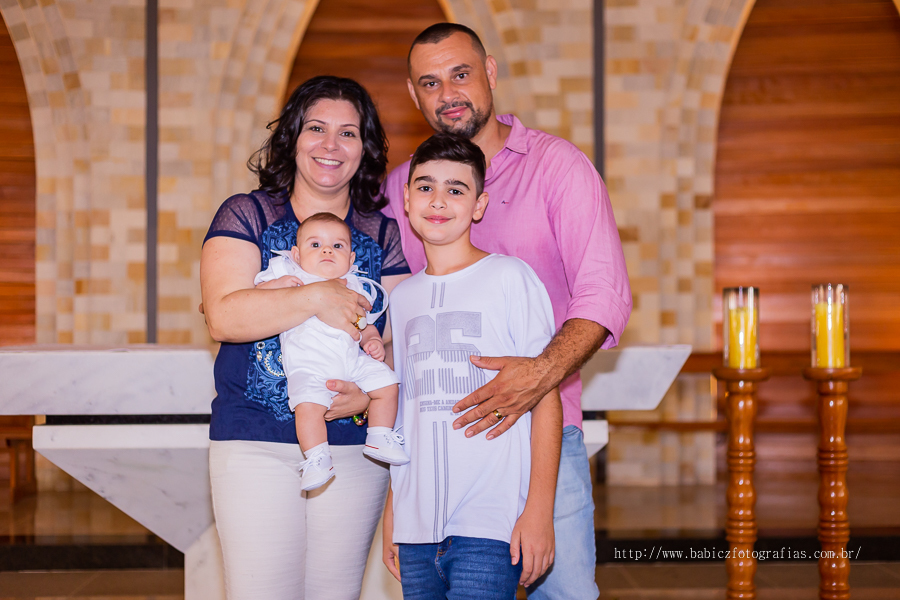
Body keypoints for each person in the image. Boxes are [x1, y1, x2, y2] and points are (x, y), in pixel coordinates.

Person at [381, 23, 633, 600]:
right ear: (414, 94)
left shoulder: (557, 166)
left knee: (563, 593)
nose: (448, 93)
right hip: (441, 449)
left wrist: (538, 376)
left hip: (546, 433)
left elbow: (603, 292)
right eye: (430, 83)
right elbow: (380, 299)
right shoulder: (402, 189)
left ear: (490, 72)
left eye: (461, 74)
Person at [200, 75, 410, 600]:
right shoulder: (247, 214)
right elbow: (224, 317)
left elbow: (401, 338)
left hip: (353, 444)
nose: (330, 145)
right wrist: (318, 297)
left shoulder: (383, 234)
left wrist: (369, 395)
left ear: (365, 147)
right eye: (316, 128)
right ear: (292, 137)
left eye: (348, 133)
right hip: (254, 441)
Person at [382, 133, 562, 599]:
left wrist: (539, 510)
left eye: (456, 189)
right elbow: (403, 415)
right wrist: (394, 511)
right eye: (425, 187)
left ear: (479, 205)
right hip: (416, 527)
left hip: (490, 523)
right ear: (406, 200)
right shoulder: (402, 299)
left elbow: (545, 395)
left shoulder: (510, 278)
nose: (438, 200)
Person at [253, 211, 408, 492]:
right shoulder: (291, 275)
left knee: (388, 383)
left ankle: (379, 435)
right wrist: (274, 286)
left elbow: (363, 323)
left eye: (337, 246)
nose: (327, 250)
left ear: (351, 258)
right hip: (308, 367)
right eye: (315, 245)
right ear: (297, 255)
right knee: (308, 407)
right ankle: (317, 457)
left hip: (351, 363)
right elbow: (255, 295)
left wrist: (372, 340)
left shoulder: (356, 285)